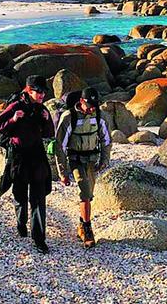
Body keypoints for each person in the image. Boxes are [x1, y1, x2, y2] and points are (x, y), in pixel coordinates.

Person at [0, 75, 54, 254]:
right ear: (29, 90)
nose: (42, 95)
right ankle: (21, 223)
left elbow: (49, 133)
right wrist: (13, 119)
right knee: (20, 195)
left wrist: (47, 119)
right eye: (39, 91)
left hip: (37, 156)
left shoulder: (42, 108)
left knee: (38, 199)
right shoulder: (16, 106)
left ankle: (39, 239)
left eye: (44, 92)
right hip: (18, 157)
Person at [54, 87, 111, 248]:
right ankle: (87, 229)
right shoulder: (69, 118)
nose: (93, 108)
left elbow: (106, 140)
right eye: (90, 105)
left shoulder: (99, 116)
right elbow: (60, 146)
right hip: (75, 160)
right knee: (85, 193)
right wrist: (63, 172)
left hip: (92, 160)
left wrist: (104, 160)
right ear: (81, 102)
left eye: (95, 105)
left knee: (90, 194)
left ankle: (81, 223)